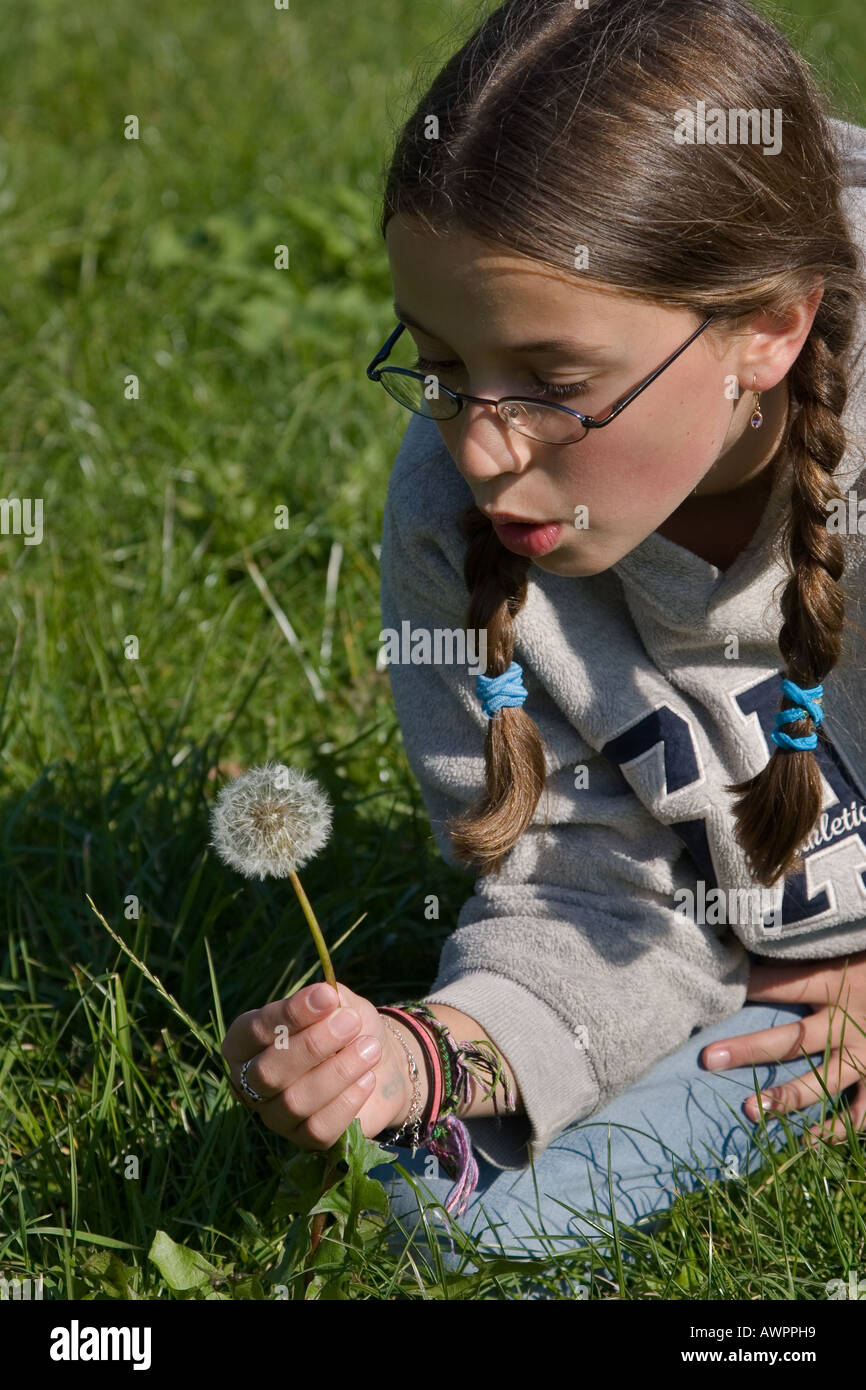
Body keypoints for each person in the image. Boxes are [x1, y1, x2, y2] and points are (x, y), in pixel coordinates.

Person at [221, 0, 866, 1280]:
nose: (476, 448)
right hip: (777, 978)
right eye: (443, 365)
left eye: (552, 385)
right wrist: (423, 1058)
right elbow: (585, 888)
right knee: (456, 1214)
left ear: (769, 330)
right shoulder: (458, 511)